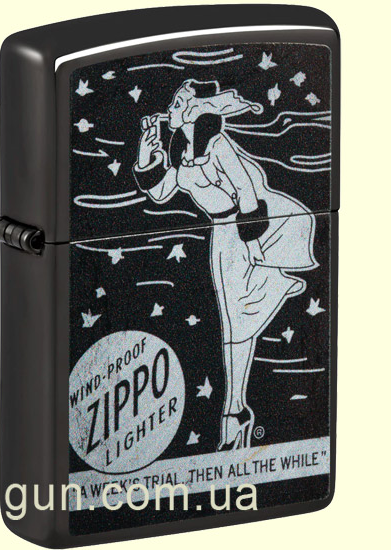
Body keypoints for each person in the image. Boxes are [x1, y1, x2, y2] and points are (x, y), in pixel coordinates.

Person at [133, 80, 317, 450]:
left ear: (196, 110)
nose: (170, 107)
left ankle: (234, 413)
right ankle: (236, 409)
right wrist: (144, 156)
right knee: (234, 324)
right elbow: (160, 193)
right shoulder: (182, 151)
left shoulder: (217, 145)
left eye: (179, 102)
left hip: (251, 228)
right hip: (222, 235)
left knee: (236, 324)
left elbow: (246, 190)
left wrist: (253, 244)